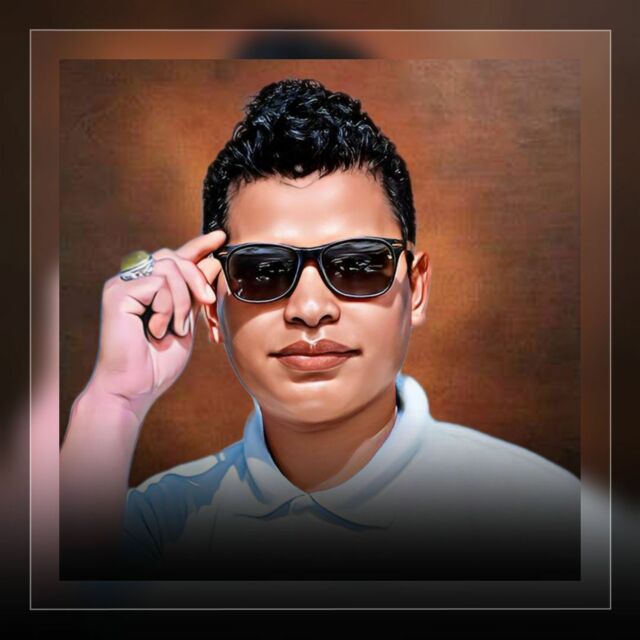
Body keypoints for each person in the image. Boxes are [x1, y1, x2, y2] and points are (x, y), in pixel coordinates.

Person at [60, 78, 580, 580]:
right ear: (212, 305)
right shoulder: (155, 527)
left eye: (358, 264)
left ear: (416, 288)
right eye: (263, 270)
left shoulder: (545, 519)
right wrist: (113, 402)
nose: (310, 308)